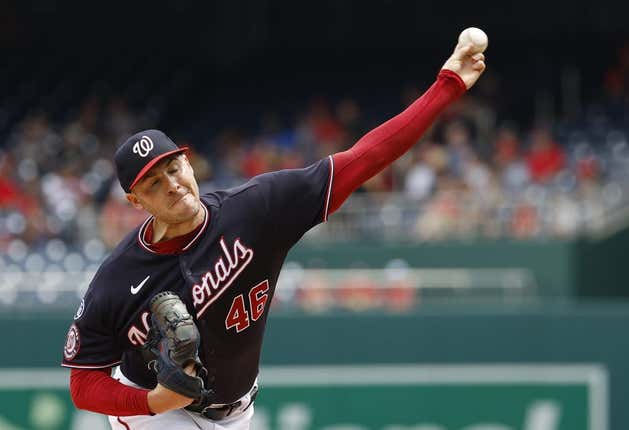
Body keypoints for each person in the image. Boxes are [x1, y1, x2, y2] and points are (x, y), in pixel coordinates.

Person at [61, 39, 486, 429]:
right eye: (153, 183)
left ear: (189, 164)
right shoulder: (117, 280)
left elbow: (364, 158)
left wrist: (447, 85)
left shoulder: (257, 208)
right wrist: (154, 402)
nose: (171, 184)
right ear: (135, 201)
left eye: (173, 168)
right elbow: (84, 385)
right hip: (156, 416)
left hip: (237, 410)